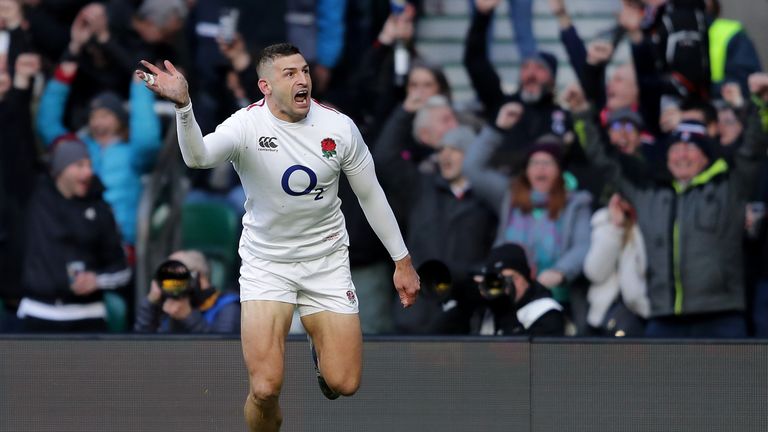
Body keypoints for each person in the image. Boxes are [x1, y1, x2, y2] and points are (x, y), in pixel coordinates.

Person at [136, 43, 419, 431]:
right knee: (266, 388)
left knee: (345, 382)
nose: (303, 79)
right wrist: (184, 106)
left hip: (326, 261)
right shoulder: (246, 126)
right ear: (265, 86)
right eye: (290, 74)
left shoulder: (338, 127)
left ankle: (322, 358)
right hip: (267, 263)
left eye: (304, 71)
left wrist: (402, 261)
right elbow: (197, 158)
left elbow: (371, 195)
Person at [568, 72, 768, 337]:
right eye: (675, 148)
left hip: (722, 316)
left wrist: (758, 103)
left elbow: (754, 145)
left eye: (691, 148)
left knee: (727, 381)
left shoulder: (728, 187)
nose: (681, 154)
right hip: (663, 318)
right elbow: (603, 158)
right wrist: (582, 113)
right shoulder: (649, 192)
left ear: (706, 156)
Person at [16, 137, 131, 332]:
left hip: (88, 314)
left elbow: (123, 270)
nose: (88, 172)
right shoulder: (36, 197)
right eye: (79, 165)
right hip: (39, 312)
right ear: (60, 170)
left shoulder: (101, 209)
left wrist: (96, 280)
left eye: (89, 165)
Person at [134, 250, 240, 333]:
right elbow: (141, 348)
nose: (172, 283)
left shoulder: (228, 306)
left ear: (200, 277)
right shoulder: (167, 305)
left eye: (178, 277)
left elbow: (223, 353)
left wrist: (188, 316)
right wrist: (151, 303)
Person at [472, 243, 565, 336]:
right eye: (497, 281)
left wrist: (506, 310)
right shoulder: (487, 308)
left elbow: (519, 349)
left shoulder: (546, 310)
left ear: (525, 277)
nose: (505, 286)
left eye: (510, 278)